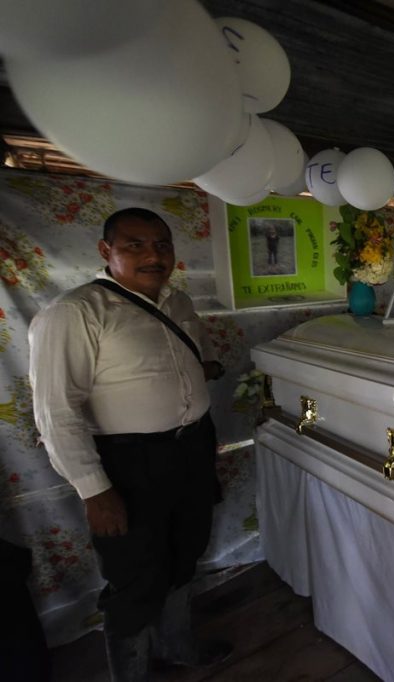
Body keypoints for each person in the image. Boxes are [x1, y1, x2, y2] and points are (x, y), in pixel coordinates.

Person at [28, 208, 230, 681]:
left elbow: (193, 356)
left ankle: (177, 647)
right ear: (106, 251)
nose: (152, 256)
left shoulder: (178, 302)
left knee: (185, 553)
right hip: (129, 463)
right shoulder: (76, 312)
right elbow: (56, 411)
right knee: (134, 578)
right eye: (134, 245)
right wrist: (95, 491)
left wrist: (199, 371)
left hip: (191, 450)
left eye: (162, 245)